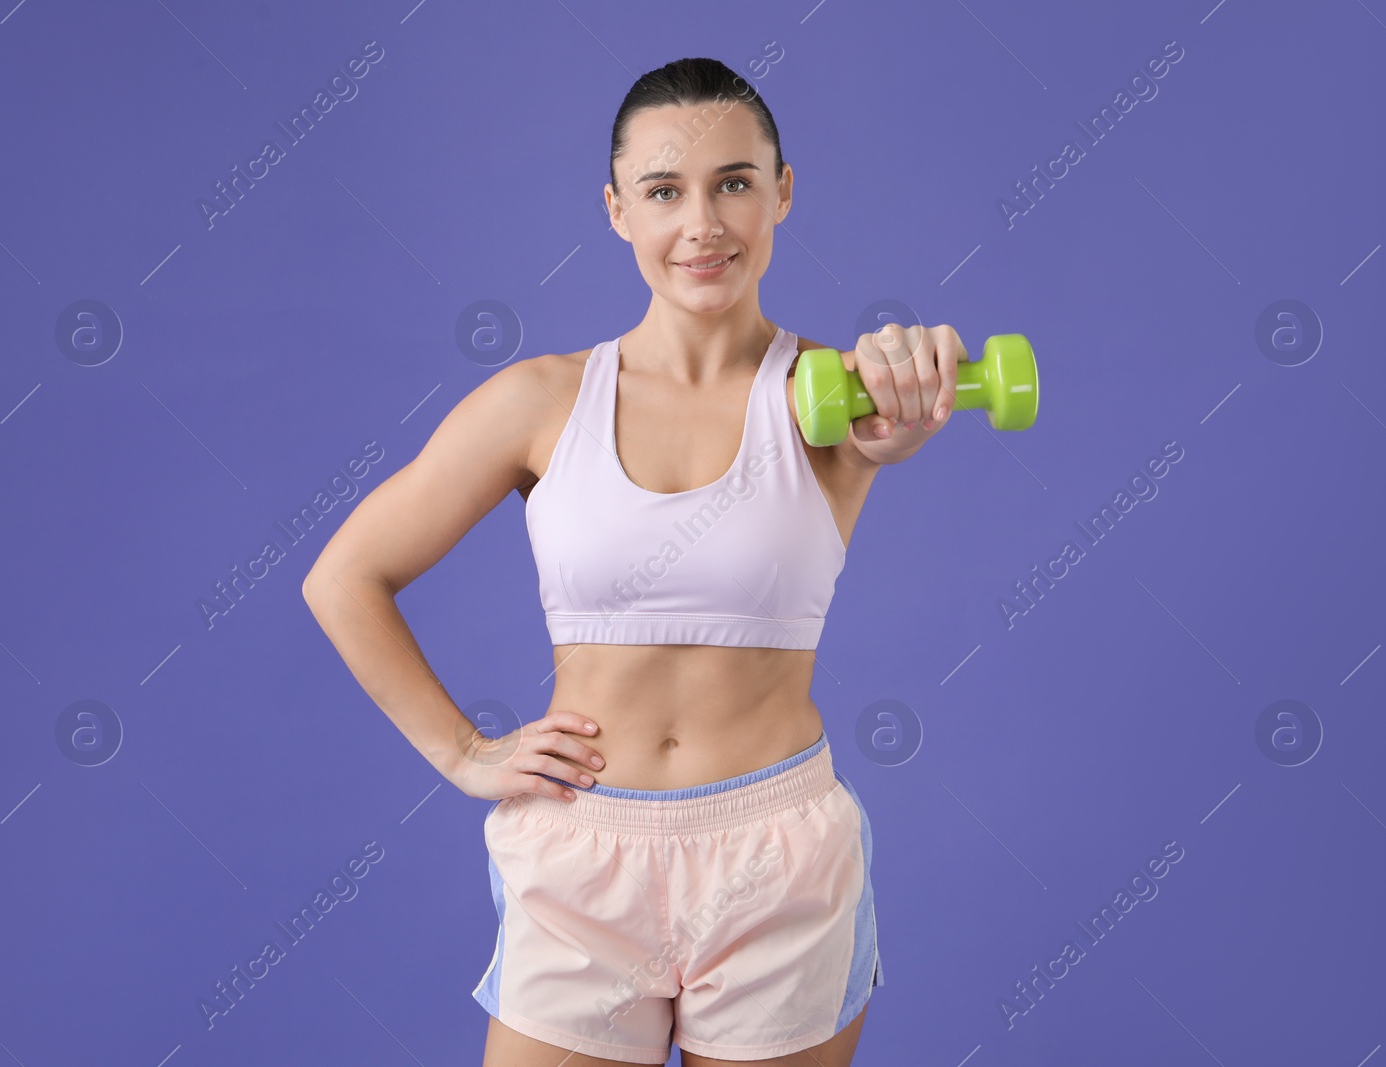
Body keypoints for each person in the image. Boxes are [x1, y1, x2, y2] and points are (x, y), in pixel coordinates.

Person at [303, 56, 967, 1067]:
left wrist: (908, 408)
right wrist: (460, 750)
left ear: (781, 191)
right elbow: (342, 576)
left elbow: (887, 431)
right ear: (617, 209)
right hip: (581, 856)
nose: (700, 225)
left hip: (775, 858)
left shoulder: (830, 395)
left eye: (734, 183)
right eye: (664, 191)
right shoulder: (538, 401)